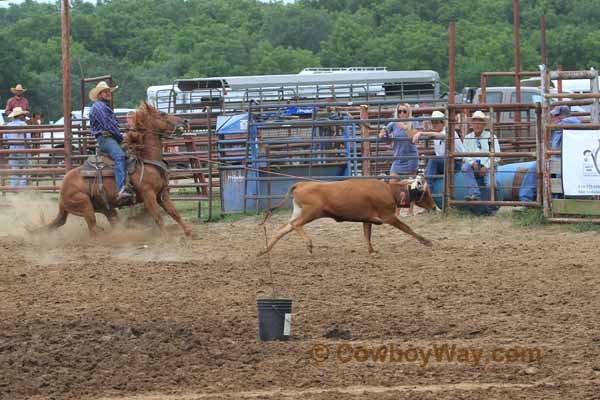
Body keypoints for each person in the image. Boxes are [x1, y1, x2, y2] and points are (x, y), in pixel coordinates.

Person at [411, 110, 480, 200]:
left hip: (455, 163)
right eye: (433, 122)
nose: (434, 124)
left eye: (437, 122)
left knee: (433, 160)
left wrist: (421, 133)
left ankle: (428, 193)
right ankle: (427, 191)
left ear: (442, 123)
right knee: (430, 165)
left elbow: (441, 136)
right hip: (447, 162)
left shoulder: (448, 132)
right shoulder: (437, 135)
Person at [519, 105, 581, 201]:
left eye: (554, 116)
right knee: (534, 169)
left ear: (561, 116)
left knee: (557, 173)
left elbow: (575, 122)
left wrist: (555, 124)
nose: (552, 118)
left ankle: (557, 201)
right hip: (554, 157)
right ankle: (526, 200)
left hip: (565, 159)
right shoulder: (557, 127)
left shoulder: (570, 122)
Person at [88, 81, 132, 200]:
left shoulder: (104, 106)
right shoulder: (99, 107)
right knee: (119, 156)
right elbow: (108, 126)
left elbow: (112, 125)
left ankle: (130, 185)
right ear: (99, 94)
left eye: (108, 91)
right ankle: (121, 189)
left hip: (110, 137)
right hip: (105, 138)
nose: (108, 93)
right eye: (105, 92)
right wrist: (121, 137)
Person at [462, 111, 501, 202]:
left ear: (484, 124)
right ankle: (474, 193)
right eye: (475, 122)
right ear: (472, 124)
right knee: (465, 167)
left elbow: (497, 155)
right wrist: (472, 163)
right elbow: (464, 154)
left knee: (490, 185)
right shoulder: (468, 138)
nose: (477, 125)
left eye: (480, 123)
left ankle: (489, 206)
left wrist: (486, 167)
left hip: (488, 166)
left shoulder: (491, 137)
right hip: (474, 165)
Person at [378, 103, 419, 178]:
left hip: (411, 157)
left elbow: (413, 139)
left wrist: (405, 128)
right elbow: (384, 132)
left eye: (404, 111)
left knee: (410, 185)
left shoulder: (414, 121)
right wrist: (383, 134)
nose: (402, 113)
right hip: (398, 157)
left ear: (408, 112)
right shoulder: (394, 122)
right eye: (399, 111)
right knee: (392, 182)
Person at [5, 107, 31, 187]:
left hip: (12, 150)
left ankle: (14, 187)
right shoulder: (24, 124)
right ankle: (22, 186)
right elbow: (28, 139)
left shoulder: (8, 125)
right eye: (23, 115)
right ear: (19, 116)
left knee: (14, 169)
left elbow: (6, 138)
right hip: (23, 149)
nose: (24, 116)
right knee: (28, 168)